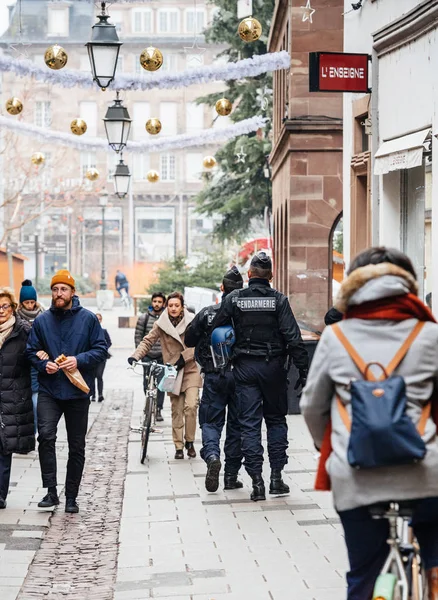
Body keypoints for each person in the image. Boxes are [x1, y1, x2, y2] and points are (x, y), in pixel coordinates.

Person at [301, 247, 438, 599]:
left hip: (356, 475)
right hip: (425, 473)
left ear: (353, 286)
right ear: (407, 282)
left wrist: (324, 447)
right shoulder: (429, 335)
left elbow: (312, 406)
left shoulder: (335, 337)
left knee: (362, 575)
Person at [210, 252, 309, 501]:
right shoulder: (279, 300)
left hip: (244, 368)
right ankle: (276, 478)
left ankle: (257, 482)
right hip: (274, 368)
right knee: (276, 421)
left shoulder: (234, 298)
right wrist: (304, 371)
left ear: (250, 275)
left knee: (249, 425)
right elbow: (294, 339)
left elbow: (216, 327)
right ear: (271, 276)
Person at [26, 270, 107, 514]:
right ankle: (51, 491)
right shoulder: (42, 321)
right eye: (55, 289)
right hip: (49, 389)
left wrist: (78, 360)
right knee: (46, 437)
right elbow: (31, 351)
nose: (58, 294)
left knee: (77, 446)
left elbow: (101, 349)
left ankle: (71, 496)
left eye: (63, 289)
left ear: (73, 292)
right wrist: (43, 363)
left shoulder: (88, 319)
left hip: (77, 392)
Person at [185, 267, 244, 493]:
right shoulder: (245, 314)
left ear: (222, 288)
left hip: (213, 376)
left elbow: (190, 339)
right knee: (236, 426)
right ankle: (230, 476)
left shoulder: (208, 312)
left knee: (210, 422)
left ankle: (211, 456)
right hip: (240, 376)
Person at [129, 292, 202, 459]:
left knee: (191, 406)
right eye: (170, 306)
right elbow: (147, 341)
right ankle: (178, 446)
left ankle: (190, 441)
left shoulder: (192, 321)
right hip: (172, 371)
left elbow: (199, 342)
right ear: (166, 307)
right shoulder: (161, 323)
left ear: (182, 306)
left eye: (177, 305)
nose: (173, 309)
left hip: (190, 368)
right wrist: (135, 356)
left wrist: (185, 358)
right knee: (176, 410)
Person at [0, 288, 35, 509]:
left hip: (11, 397)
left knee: (3, 447)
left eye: (4, 306)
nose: (0, 311)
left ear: (13, 308)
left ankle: (0, 494)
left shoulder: (23, 331)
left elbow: (35, 356)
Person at [17, 279, 45, 431]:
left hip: (35, 367)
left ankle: (33, 434)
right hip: (19, 366)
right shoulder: (14, 317)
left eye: (32, 302)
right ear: (21, 303)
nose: (29, 305)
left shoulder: (43, 317)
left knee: (35, 405)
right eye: (26, 302)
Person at [134, 293, 166, 421]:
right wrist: (140, 354)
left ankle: (158, 409)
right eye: (155, 301)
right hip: (147, 355)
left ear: (163, 303)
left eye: (159, 301)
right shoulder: (144, 318)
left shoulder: (166, 318)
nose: (157, 304)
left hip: (162, 356)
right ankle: (149, 405)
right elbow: (138, 337)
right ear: (152, 302)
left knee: (161, 384)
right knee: (146, 382)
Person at [90, 313, 112, 402]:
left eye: (99, 319)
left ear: (101, 320)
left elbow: (109, 342)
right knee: (92, 376)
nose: (98, 320)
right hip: (92, 357)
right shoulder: (90, 331)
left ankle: (100, 394)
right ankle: (93, 395)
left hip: (101, 358)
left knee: (99, 375)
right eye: (96, 319)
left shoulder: (104, 331)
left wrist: (103, 348)